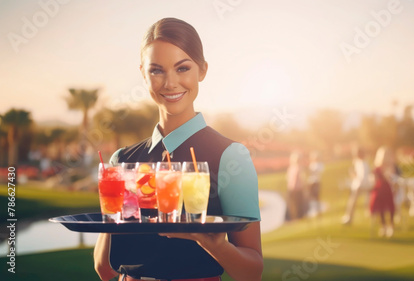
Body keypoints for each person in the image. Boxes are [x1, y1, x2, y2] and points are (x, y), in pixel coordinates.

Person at [93, 18, 263, 281]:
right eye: (157, 70)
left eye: (182, 68)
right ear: (143, 74)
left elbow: (252, 273)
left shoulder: (231, 157)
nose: (170, 83)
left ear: (202, 70)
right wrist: (112, 211)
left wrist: (215, 244)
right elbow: (105, 269)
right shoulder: (121, 161)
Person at [369, 147, 395, 238]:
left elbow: (391, 178)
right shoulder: (377, 167)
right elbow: (374, 179)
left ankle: (390, 226)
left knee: (390, 208)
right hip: (379, 189)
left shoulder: (390, 166)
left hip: (387, 189)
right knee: (380, 208)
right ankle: (383, 226)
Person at [342, 147, 371, 225]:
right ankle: (348, 218)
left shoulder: (363, 163)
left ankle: (349, 218)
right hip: (359, 186)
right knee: (352, 202)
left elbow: (362, 177)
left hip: (360, 186)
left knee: (352, 202)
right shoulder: (358, 162)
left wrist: (353, 175)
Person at [286, 150, 307, 220]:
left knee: (297, 203)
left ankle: (298, 216)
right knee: (296, 203)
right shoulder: (296, 168)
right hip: (295, 188)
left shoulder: (293, 168)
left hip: (294, 188)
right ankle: (297, 216)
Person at [307, 151, 324, 217]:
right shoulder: (311, 164)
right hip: (311, 182)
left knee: (317, 197)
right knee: (311, 198)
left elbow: (317, 172)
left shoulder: (319, 165)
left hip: (316, 182)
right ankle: (313, 211)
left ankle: (318, 211)